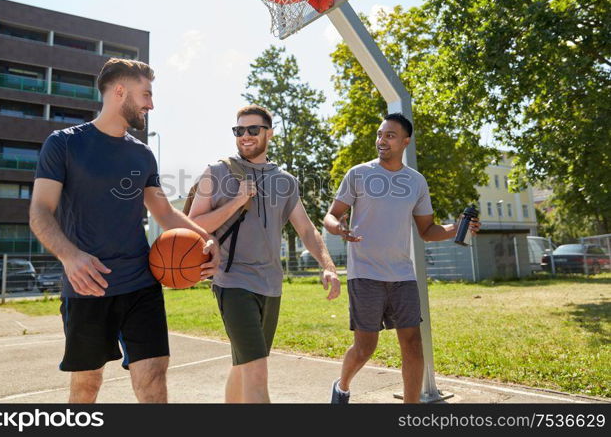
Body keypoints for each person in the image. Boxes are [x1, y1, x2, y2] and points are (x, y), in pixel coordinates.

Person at [29, 58, 220, 403]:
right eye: (146, 94)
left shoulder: (143, 155)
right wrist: (70, 257)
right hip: (88, 284)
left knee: (153, 377)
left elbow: (164, 211)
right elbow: (40, 211)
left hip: (140, 283)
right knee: (87, 385)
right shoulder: (64, 144)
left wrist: (207, 239)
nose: (151, 104)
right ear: (120, 91)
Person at [188, 104, 341, 403]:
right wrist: (235, 202)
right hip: (232, 282)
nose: (244, 136)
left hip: (271, 285)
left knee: (244, 365)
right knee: (257, 372)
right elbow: (192, 225)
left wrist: (328, 265)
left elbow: (307, 230)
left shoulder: (284, 180)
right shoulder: (217, 172)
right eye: (239, 130)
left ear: (268, 133)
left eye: (252, 130)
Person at [324, 112, 480, 404]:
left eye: (390, 136)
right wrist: (340, 229)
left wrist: (457, 227)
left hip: (402, 276)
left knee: (412, 344)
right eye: (380, 134)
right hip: (366, 273)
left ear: (405, 141)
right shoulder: (358, 173)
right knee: (365, 347)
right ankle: (342, 385)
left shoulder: (416, 182)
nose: (382, 140)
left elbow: (427, 230)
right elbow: (332, 216)